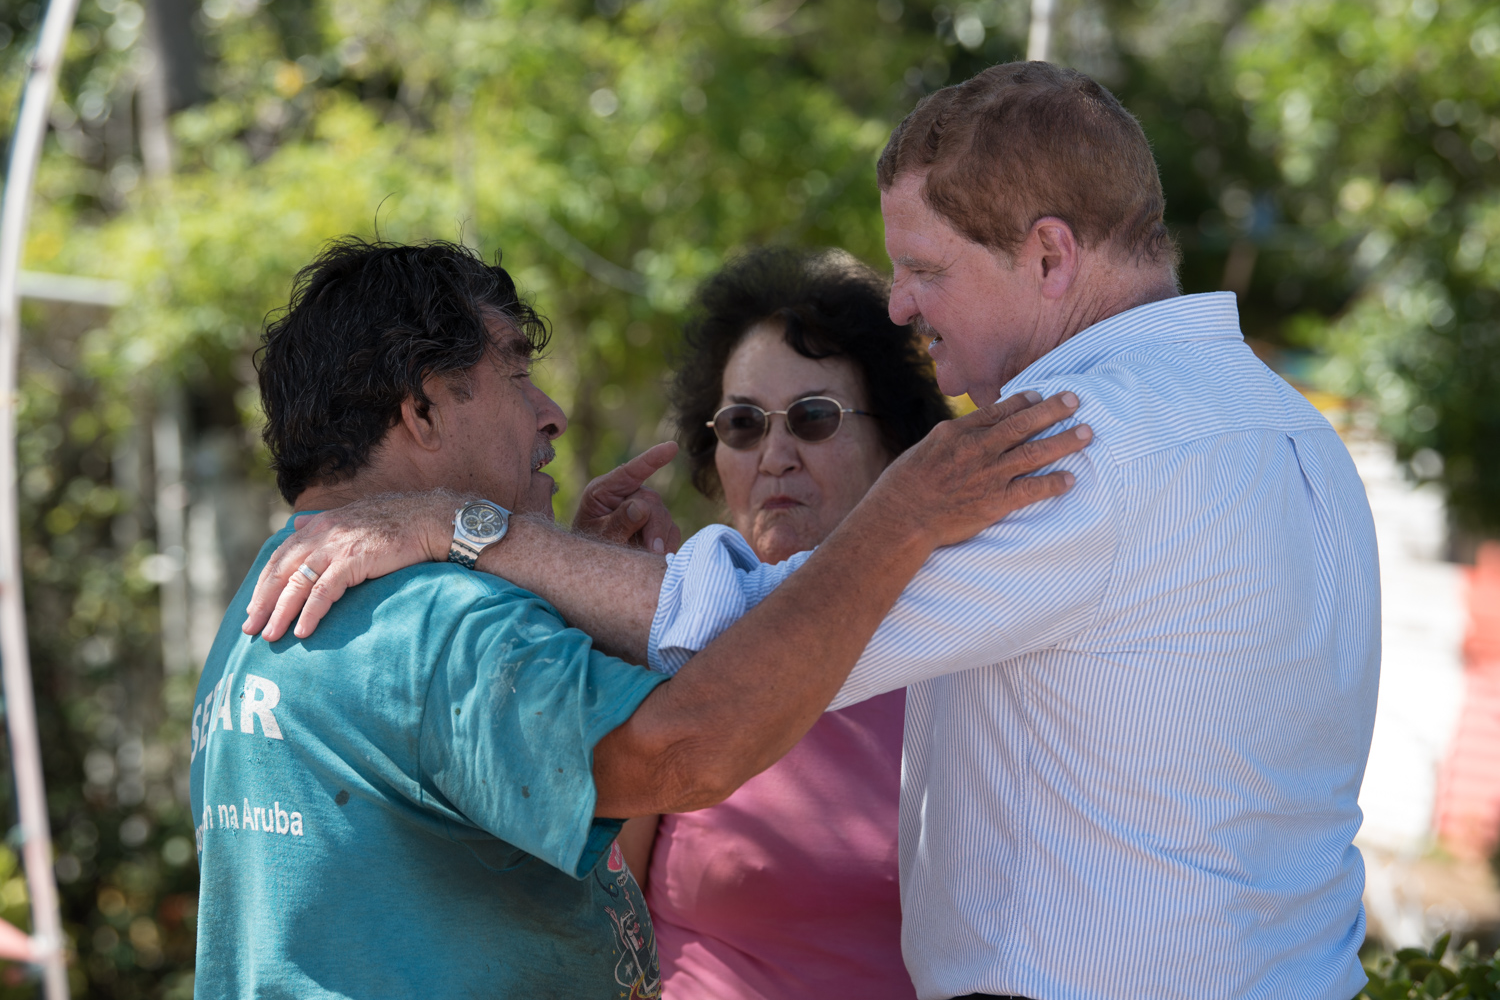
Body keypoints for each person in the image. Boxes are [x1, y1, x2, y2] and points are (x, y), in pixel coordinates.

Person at [246, 61, 1376, 1000]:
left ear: (1049, 255)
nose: (899, 305)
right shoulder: (1293, 429)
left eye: (926, 269)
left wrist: (460, 523)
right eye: (739, 422)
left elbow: (765, 626)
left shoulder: (1076, 442)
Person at [191, 237, 1088, 997]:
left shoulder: (277, 586)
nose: (553, 412)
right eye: (515, 373)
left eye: (813, 418)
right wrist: (905, 517)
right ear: (422, 408)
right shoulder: (431, 616)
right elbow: (686, 751)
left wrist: (556, 601)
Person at [619, 246, 949, 999]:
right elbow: (593, 921)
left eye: (812, 417)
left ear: (895, 441)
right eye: (742, 423)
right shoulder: (667, 642)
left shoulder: (963, 646)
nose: (774, 455)